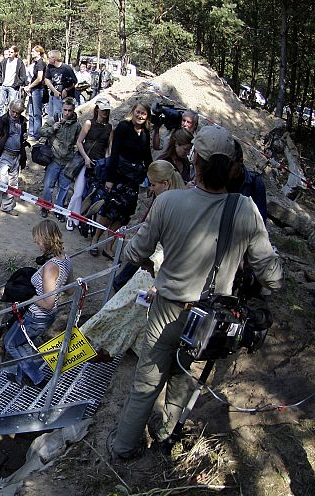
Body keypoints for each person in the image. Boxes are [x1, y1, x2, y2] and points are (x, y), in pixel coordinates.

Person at [107, 125, 283, 461]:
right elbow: (271, 276)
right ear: (232, 166)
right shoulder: (244, 209)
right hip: (209, 317)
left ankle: (125, 446)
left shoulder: (169, 201)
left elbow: (136, 252)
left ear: (195, 160)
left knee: (147, 381)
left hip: (165, 309)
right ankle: (164, 436)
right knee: (184, 377)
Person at [80, 160, 186, 362]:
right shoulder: (186, 203)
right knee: (137, 312)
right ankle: (113, 349)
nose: (151, 190)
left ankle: (89, 339)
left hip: (156, 267)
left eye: (154, 185)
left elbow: (148, 239)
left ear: (166, 183)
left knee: (121, 304)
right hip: (163, 270)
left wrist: (130, 250)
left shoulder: (165, 205)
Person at [3, 220, 73, 387]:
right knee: (23, 343)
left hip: (36, 316)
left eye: (38, 239)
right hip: (47, 316)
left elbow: (48, 302)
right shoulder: (66, 259)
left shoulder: (50, 267)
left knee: (10, 343)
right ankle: (23, 378)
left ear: (46, 239)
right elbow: (70, 290)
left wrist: (29, 296)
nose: (36, 243)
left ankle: (37, 378)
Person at [89, 101, 153, 258]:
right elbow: (114, 153)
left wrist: (152, 180)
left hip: (133, 181)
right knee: (108, 211)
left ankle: (108, 245)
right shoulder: (124, 127)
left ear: (147, 116)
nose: (140, 116)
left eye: (143, 113)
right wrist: (110, 178)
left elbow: (147, 157)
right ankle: (95, 240)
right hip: (118, 176)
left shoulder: (145, 133)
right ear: (133, 111)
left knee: (124, 216)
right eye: (138, 112)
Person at [68, 96, 113, 231]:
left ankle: (82, 221)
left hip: (99, 164)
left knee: (91, 195)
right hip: (85, 161)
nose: (104, 112)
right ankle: (70, 217)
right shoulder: (89, 123)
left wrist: (106, 162)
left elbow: (108, 148)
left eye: (106, 110)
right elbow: (79, 142)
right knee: (78, 192)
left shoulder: (110, 128)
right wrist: (86, 158)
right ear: (97, 109)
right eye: (102, 110)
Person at [39, 97, 81, 218]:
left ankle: (59, 211)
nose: (67, 113)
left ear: (73, 110)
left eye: (69, 110)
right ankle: (45, 207)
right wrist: (52, 129)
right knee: (48, 186)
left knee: (64, 188)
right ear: (62, 108)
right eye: (65, 110)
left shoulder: (77, 125)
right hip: (54, 160)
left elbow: (79, 141)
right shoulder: (55, 119)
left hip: (68, 162)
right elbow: (40, 131)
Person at [0, 99, 28, 215]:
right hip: (4, 155)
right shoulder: (1, 121)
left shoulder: (22, 122)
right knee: (2, 182)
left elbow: (22, 139)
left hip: (16, 156)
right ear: (9, 109)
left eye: (18, 113)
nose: (15, 115)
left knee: (13, 184)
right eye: (13, 111)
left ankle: (7, 207)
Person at [227, 140, 268, 222]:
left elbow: (260, 222)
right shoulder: (216, 179)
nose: (225, 168)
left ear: (240, 161)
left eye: (230, 164)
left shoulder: (255, 184)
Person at [44, 50, 77, 119]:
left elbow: (74, 82)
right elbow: (47, 80)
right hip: (53, 95)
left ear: (54, 58)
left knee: (59, 115)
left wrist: (66, 89)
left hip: (64, 97)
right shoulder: (49, 67)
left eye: (49, 58)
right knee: (51, 116)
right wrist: (54, 91)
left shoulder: (66, 68)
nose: (48, 59)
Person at [25, 46, 47, 140]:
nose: (31, 53)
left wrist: (30, 86)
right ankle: (31, 132)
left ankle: (37, 134)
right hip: (33, 90)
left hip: (38, 90)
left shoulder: (41, 63)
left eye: (33, 51)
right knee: (31, 112)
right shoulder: (36, 63)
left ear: (38, 53)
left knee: (37, 113)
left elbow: (39, 78)